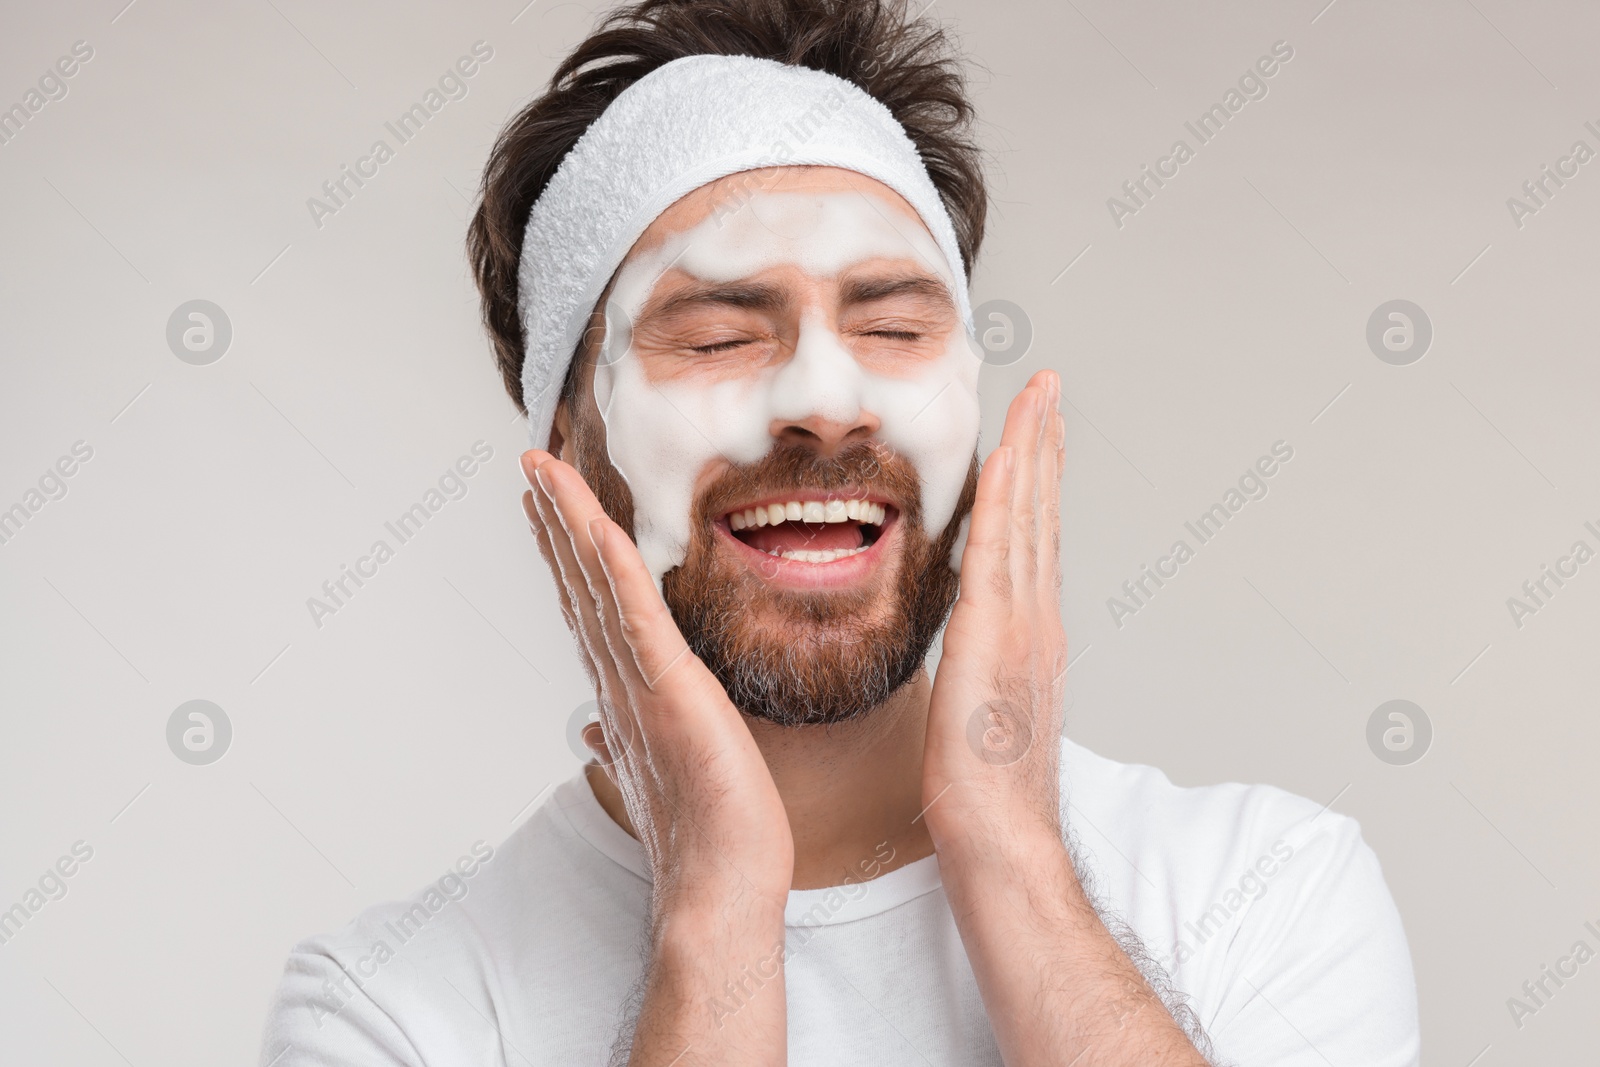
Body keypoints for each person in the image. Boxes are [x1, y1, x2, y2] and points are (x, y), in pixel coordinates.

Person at [258, 1, 1420, 1063]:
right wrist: (715, 909)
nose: (826, 398)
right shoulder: (393, 1010)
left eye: (894, 327)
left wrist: (1006, 846)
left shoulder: (1267, 890)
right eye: (716, 337)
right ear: (566, 444)